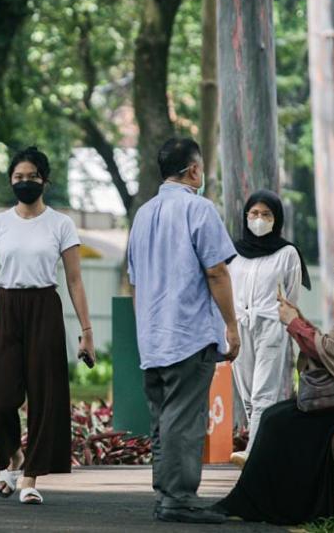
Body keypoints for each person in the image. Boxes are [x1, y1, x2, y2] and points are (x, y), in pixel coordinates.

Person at [0, 146, 96, 505]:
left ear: (45, 180)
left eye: (32, 177)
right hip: (7, 307)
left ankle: (29, 477)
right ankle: (14, 457)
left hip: (45, 308)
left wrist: (86, 332)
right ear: (11, 181)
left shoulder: (60, 224)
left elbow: (75, 281)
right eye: (19, 177)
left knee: (44, 395)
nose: (25, 183)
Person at [212, 241, 334, 525]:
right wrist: (298, 319)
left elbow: (331, 352)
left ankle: (264, 504)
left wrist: (293, 323)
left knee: (278, 422)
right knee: (275, 417)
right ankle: (263, 501)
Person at [127, 137, 240, 524]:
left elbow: (134, 281)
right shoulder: (199, 209)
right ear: (193, 170)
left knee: (164, 418)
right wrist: (231, 326)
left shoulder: (142, 215)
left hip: (152, 336)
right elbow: (216, 271)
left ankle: (166, 493)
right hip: (188, 332)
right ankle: (179, 498)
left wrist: (144, 328)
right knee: (184, 419)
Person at [228, 190, 311, 467]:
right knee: (247, 394)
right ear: (245, 216)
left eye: (266, 214)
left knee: (264, 392)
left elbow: (292, 296)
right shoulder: (234, 252)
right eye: (254, 213)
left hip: (271, 326)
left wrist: (287, 323)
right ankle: (264, 448)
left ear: (277, 219)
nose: (259, 219)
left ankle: (252, 452)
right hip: (240, 325)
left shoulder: (287, 253)